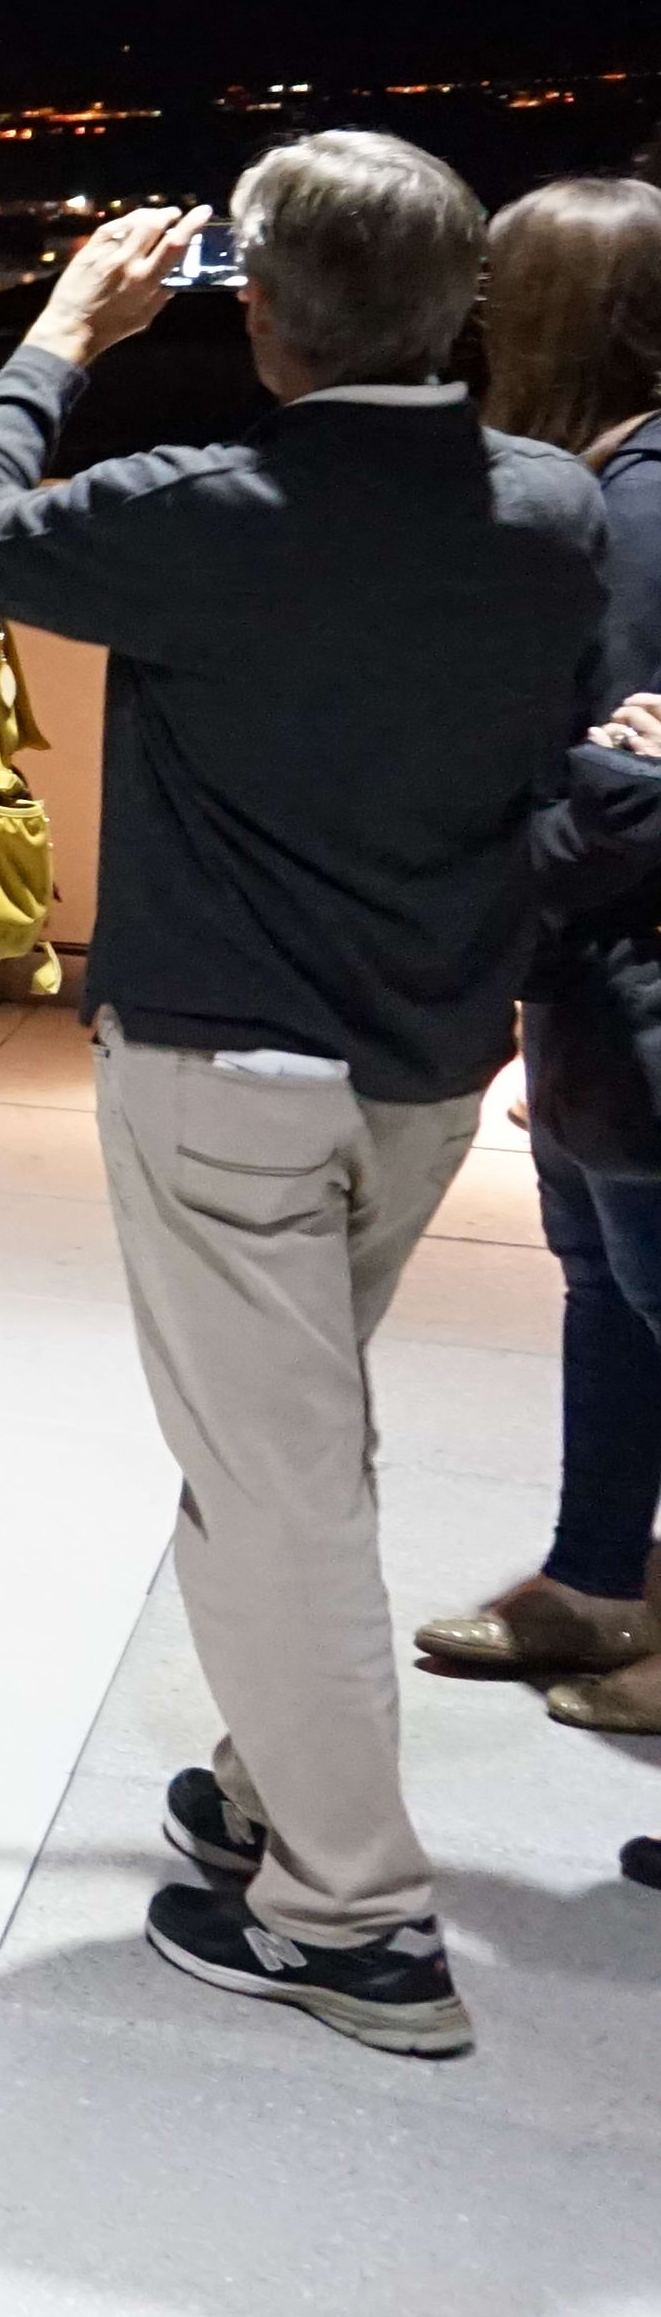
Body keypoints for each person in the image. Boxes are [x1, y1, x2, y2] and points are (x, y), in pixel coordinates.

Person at [0, 133, 605, 2058]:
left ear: (262, 313)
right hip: (422, 1064)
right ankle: (258, 1785)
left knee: (278, 1485)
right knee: (296, 1451)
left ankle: (355, 1924)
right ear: (457, 306)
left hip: (227, 1074)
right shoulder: (546, 505)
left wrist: (61, 330)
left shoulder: (206, 505)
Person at [411, 180, 661, 1738]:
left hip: (633, 988)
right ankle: (592, 1579)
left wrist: (484, 895)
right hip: (593, 992)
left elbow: (626, 790)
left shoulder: (634, 512)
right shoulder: (605, 483)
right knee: (605, 1291)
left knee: (641, 1291)